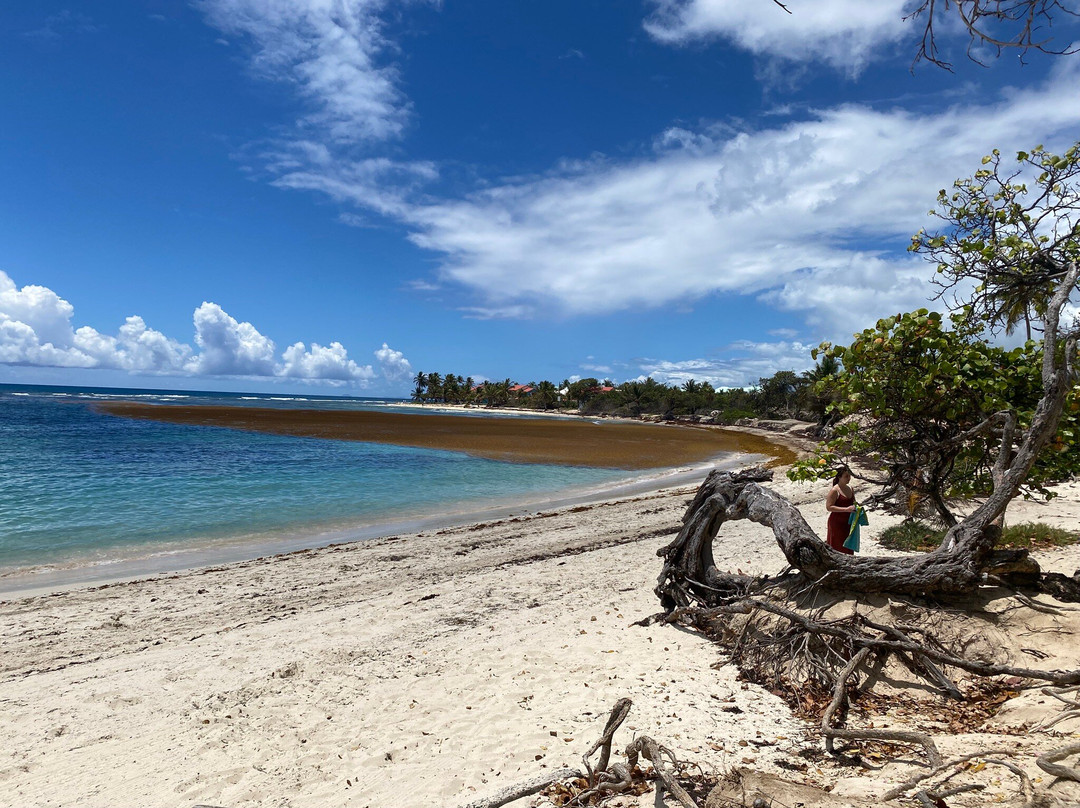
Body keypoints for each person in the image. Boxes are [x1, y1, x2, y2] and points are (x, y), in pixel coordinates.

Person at [825, 466, 857, 555]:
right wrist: (846, 509)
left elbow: (853, 502)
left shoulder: (850, 488)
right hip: (837, 523)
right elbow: (829, 507)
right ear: (839, 477)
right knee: (837, 547)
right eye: (846, 476)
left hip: (849, 522)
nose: (848, 478)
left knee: (849, 545)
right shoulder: (835, 490)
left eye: (849, 476)